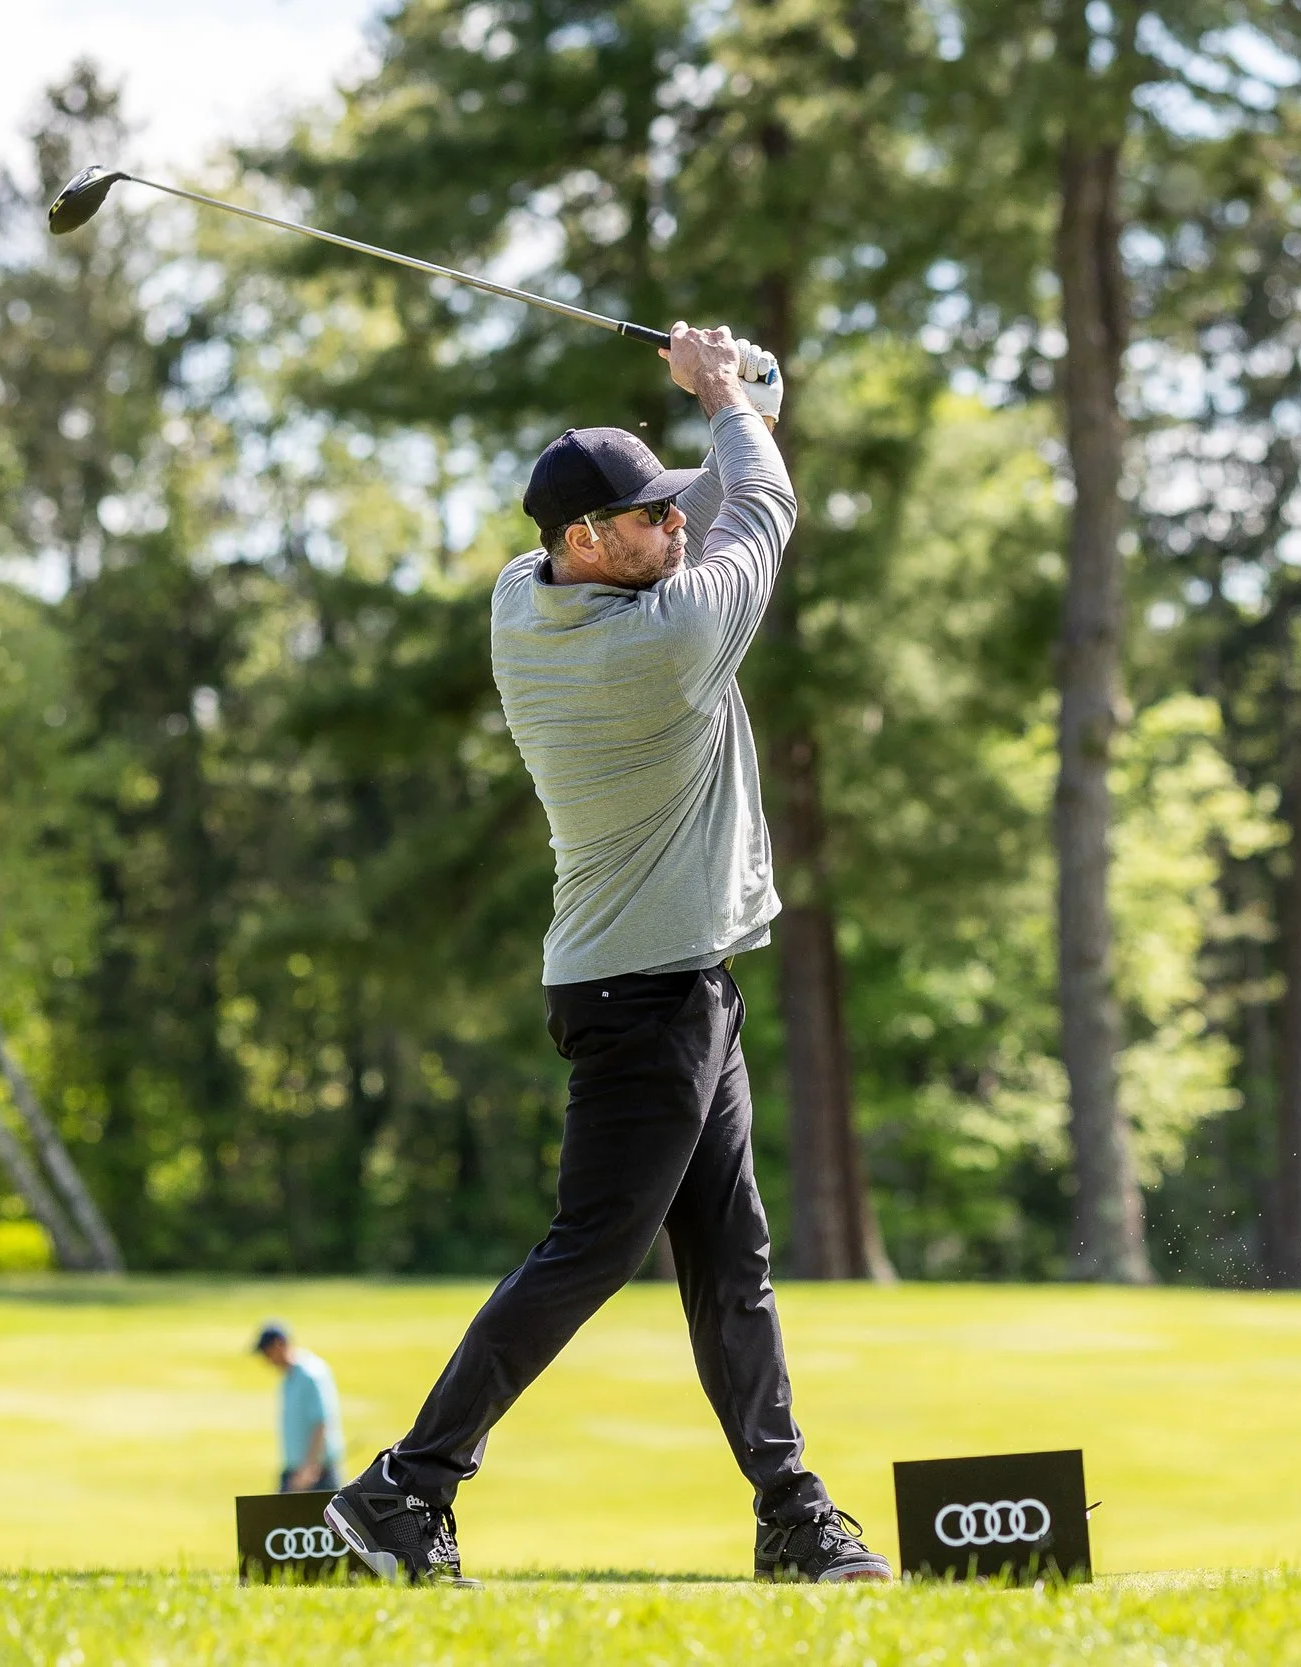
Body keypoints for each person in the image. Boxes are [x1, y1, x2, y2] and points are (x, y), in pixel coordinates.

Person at [325, 323, 888, 1587]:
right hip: (648, 995)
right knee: (590, 1251)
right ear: (586, 542)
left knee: (729, 1264)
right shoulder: (668, 642)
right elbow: (769, 501)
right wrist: (725, 392)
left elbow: (733, 475)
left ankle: (793, 1514)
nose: (675, 530)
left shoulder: (526, 601)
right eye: (645, 520)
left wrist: (739, 395)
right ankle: (405, 1489)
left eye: (670, 511)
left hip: (667, 981)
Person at [254, 1319, 344, 1492]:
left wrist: (309, 1469)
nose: (266, 1360)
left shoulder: (310, 1374)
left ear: (279, 1345)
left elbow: (321, 1422)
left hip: (316, 1473)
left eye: (267, 1353)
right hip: (294, 1472)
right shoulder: (288, 1376)